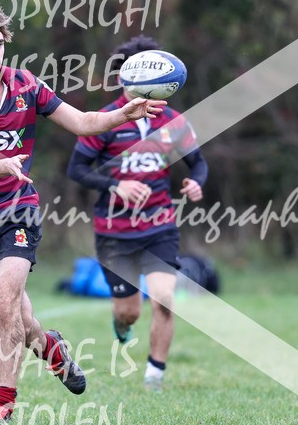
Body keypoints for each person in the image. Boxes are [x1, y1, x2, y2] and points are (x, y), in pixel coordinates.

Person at [0, 0, 166, 422]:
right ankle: (53, 350)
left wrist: (123, 113)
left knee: (6, 306)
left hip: (17, 210)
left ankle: (2, 404)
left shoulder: (25, 84)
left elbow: (81, 122)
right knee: (22, 322)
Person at [67, 35, 208, 391]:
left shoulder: (173, 121)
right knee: (128, 311)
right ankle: (123, 327)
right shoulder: (105, 121)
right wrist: (116, 186)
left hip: (159, 225)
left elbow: (198, 163)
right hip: (114, 232)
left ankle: (154, 376)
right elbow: (77, 170)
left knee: (164, 299)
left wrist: (195, 182)